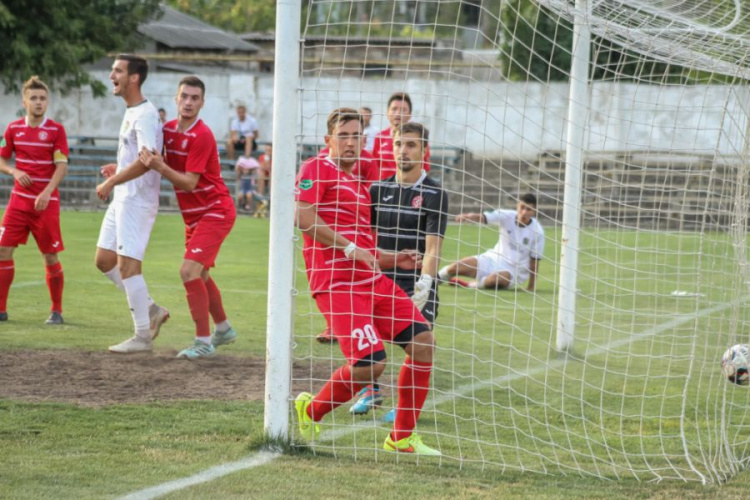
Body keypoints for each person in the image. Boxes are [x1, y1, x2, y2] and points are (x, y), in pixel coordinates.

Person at [294, 107, 440, 455]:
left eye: (356, 136)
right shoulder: (316, 168)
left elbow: (365, 245)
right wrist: (348, 248)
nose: (350, 142)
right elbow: (302, 216)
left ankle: (401, 437)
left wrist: (395, 259)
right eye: (342, 136)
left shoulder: (363, 179)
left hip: (372, 280)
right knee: (370, 365)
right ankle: (311, 410)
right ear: (328, 140)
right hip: (336, 282)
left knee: (423, 342)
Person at [350, 122, 449, 421]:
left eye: (410, 145)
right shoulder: (378, 189)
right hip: (379, 278)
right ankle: (371, 390)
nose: (402, 150)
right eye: (398, 144)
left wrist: (426, 283)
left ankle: (406, 409)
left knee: (421, 344)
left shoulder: (434, 193)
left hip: (416, 282)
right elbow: (366, 239)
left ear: (423, 151)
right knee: (360, 332)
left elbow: (433, 248)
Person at [139, 76, 237, 360]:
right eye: (185, 96)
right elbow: (147, 158)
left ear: (202, 103)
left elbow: (190, 183)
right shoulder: (167, 130)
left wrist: (160, 166)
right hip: (194, 217)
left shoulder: (202, 135)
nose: (189, 102)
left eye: (195, 98)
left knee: (188, 272)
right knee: (201, 274)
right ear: (176, 99)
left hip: (215, 210)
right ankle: (224, 329)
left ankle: (203, 342)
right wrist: (118, 171)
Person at [95, 54, 170, 353]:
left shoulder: (146, 114)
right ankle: (151, 308)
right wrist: (118, 168)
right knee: (104, 261)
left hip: (136, 201)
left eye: (117, 71)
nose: (112, 75)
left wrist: (113, 181)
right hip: (123, 198)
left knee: (128, 266)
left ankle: (141, 337)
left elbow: (149, 160)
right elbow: (135, 157)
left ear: (134, 78)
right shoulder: (132, 110)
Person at [0, 76, 68, 324]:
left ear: (47, 102)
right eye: (34, 98)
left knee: (50, 256)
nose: (39, 102)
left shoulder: (56, 130)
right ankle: (1, 310)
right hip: (18, 203)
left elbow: (61, 166)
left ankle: (56, 311)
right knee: (3, 250)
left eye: (42, 98)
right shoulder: (13, 129)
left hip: (45, 204)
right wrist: (14, 171)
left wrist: (47, 191)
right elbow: (2, 159)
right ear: (24, 101)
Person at [438, 194, 544, 291]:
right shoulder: (507, 216)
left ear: (534, 211)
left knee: (495, 280)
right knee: (456, 266)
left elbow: (534, 261)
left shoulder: (537, 231)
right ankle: (435, 279)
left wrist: (531, 286)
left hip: (513, 270)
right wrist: (469, 216)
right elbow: (484, 217)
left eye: (529, 209)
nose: (524, 212)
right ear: (517, 206)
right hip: (493, 258)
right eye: (522, 207)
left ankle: (470, 285)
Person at [372, 92, 430, 180]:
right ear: (387, 112)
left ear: (410, 114)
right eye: (394, 109)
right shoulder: (379, 137)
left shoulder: (419, 138)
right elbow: (375, 167)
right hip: (384, 190)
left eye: (403, 110)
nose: (398, 113)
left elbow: (425, 168)